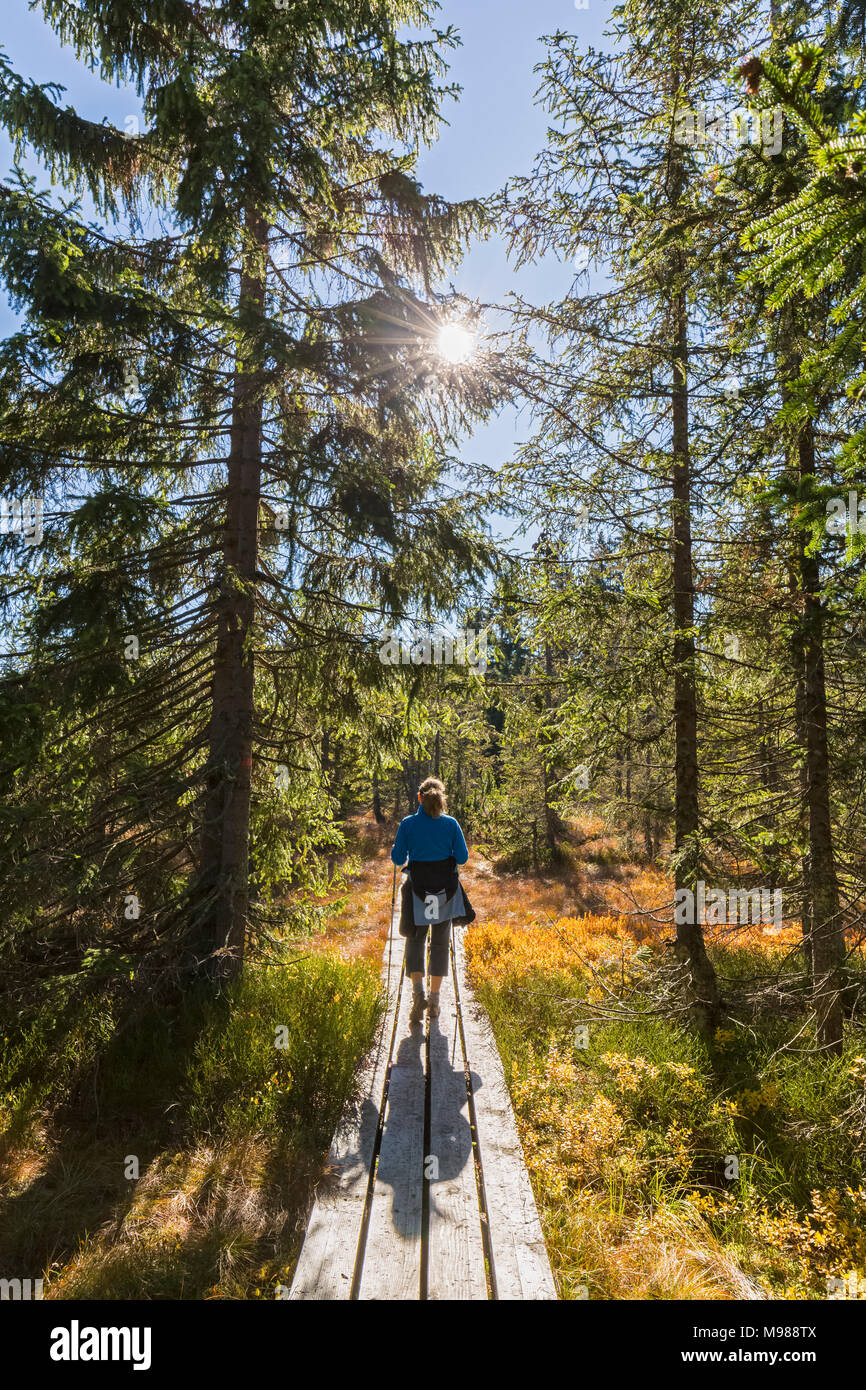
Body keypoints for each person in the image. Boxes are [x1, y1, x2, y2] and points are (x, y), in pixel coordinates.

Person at [390, 776, 473, 1025]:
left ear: (419, 798)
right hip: (445, 894)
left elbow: (397, 858)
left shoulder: (407, 824)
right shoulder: (451, 824)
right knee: (439, 945)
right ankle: (435, 1000)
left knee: (415, 942)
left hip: (418, 892)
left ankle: (418, 994)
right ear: (441, 798)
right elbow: (462, 857)